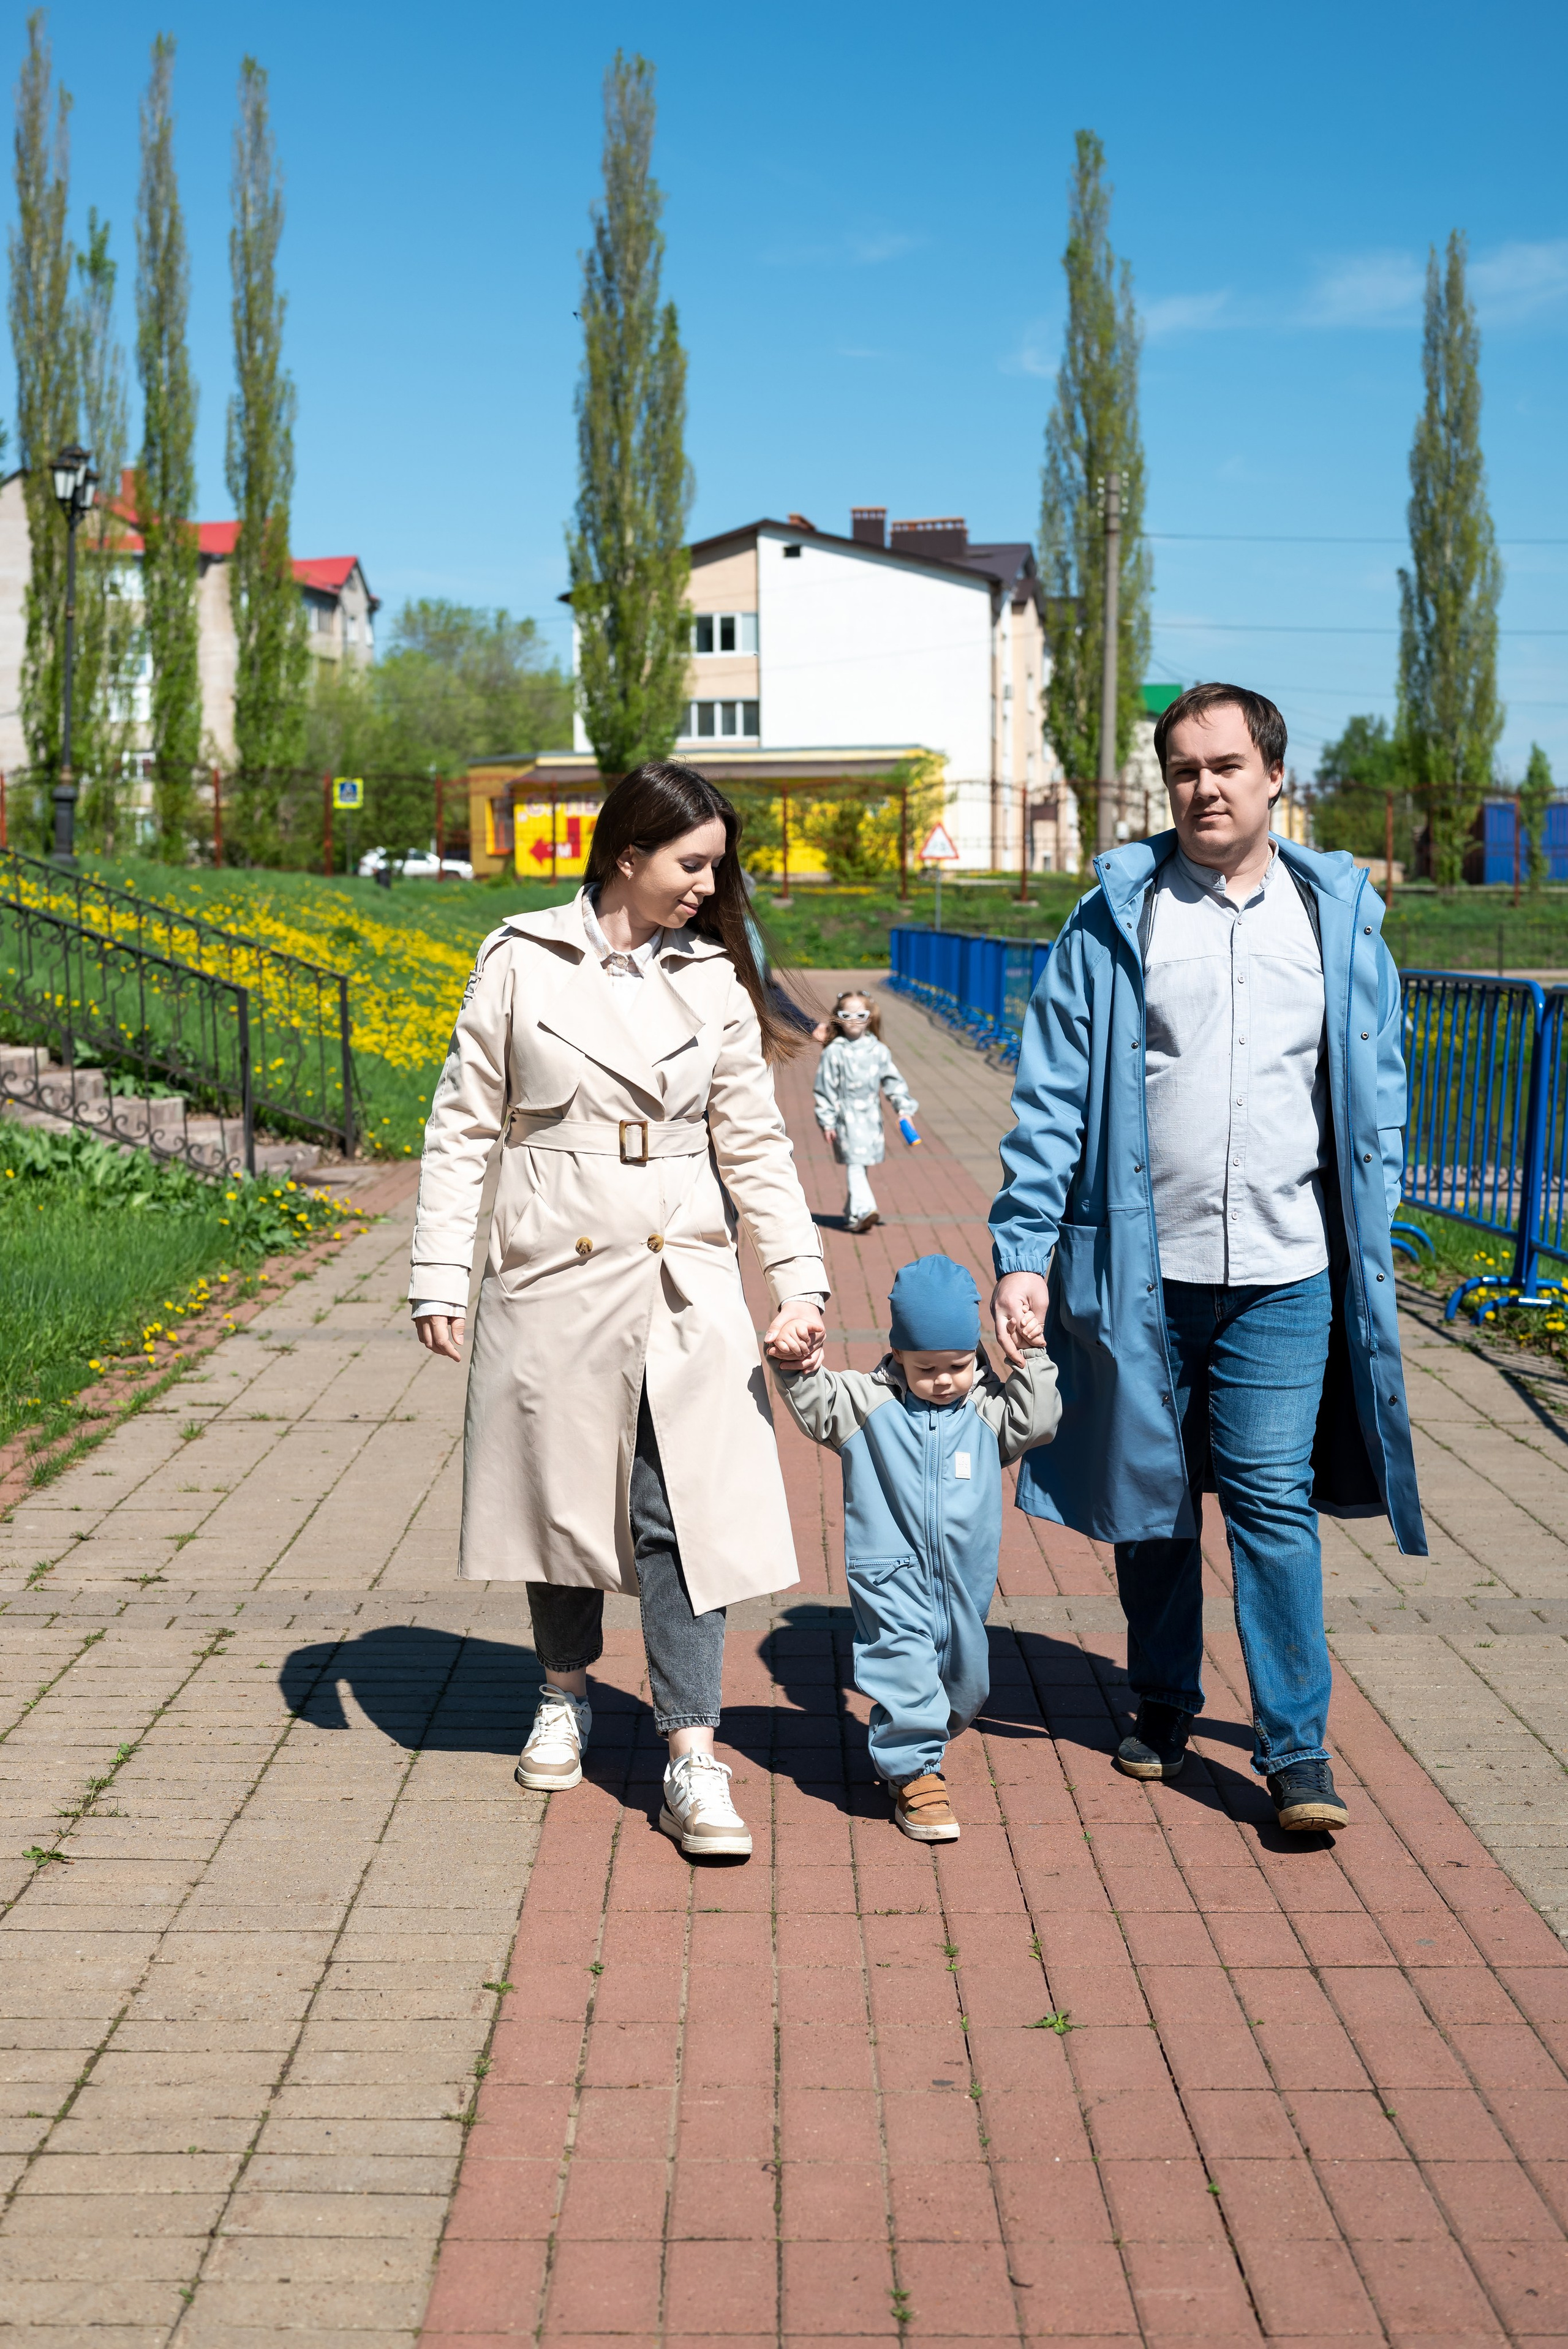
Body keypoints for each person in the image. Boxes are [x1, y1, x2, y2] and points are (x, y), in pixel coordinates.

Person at [989, 683, 1426, 1833]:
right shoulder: (1115, 919)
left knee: (1273, 1504)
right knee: (1157, 1501)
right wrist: (1024, 1250)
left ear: (1277, 776)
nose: (1205, 787)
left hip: (1289, 1270)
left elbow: (1379, 1081)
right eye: (1184, 769)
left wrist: (1377, 1219)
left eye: (1226, 765)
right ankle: (1164, 1698)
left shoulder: (1335, 917)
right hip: (1145, 1276)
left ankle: (1296, 1754)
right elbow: (1051, 1102)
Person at [409, 760, 828, 1861]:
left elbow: (757, 1143)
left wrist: (799, 1279)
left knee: (677, 1508)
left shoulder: (714, 981)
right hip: (553, 1260)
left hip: (681, 1270)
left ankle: (693, 1754)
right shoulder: (519, 958)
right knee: (559, 1496)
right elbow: (463, 1125)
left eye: (717, 869)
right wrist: (439, 1273)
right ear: (629, 854)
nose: (707, 886)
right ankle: (563, 1692)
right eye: (692, 865)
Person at [769, 1255, 1059, 1841]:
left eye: (958, 1364)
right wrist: (796, 1363)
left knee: (965, 1681)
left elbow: (1038, 1421)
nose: (945, 1379)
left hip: (965, 1578)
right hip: (887, 1572)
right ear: (897, 1354)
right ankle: (916, 1773)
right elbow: (815, 1399)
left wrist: (1031, 1359)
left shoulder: (983, 1408)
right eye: (926, 1368)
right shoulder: (867, 1404)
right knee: (903, 1664)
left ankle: (923, 1737)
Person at [813, 990, 919, 1234]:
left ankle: (852, 1216)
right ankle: (865, 1209)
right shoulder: (834, 1052)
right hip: (845, 1118)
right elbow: (824, 1089)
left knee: (861, 1166)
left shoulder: (878, 1050)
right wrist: (827, 1121)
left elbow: (894, 1083)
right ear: (838, 1018)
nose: (853, 1020)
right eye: (846, 1015)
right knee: (856, 1164)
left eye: (860, 1015)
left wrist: (904, 1110)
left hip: (871, 1118)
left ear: (870, 1018)